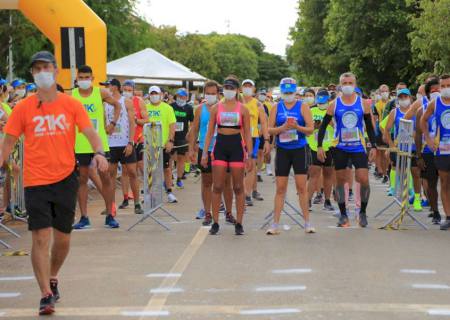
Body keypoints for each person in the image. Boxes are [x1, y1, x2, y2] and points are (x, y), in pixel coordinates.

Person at [0, 51, 108, 315]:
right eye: (37, 69)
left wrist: (99, 152)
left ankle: (53, 275)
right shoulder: (23, 108)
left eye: (46, 67)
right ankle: (45, 295)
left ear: (56, 70)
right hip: (36, 180)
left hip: (64, 178)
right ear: (33, 74)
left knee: (62, 239)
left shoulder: (70, 104)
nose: (42, 72)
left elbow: (90, 131)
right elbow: (8, 141)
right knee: (40, 236)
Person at [317, 72, 377, 228]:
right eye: (345, 83)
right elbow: (323, 126)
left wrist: (374, 146)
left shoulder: (363, 103)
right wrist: (319, 146)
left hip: (358, 146)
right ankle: (343, 214)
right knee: (341, 180)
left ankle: (362, 212)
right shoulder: (334, 104)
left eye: (350, 83)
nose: (348, 86)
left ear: (355, 85)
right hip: (340, 147)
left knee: (363, 178)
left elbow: (369, 127)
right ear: (340, 85)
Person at [201, 76, 253, 235]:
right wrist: (204, 153)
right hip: (220, 146)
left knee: (238, 187)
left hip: (237, 146)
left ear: (237, 90)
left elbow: (247, 134)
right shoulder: (216, 107)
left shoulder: (243, 109)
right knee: (217, 186)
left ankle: (239, 223)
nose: (228, 91)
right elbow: (210, 132)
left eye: (231, 88)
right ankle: (215, 222)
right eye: (226, 88)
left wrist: (250, 155)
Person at [71, 65, 121, 229]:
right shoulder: (72, 95)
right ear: (77, 79)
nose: (84, 81)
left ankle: (110, 215)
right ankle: (84, 217)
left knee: (105, 178)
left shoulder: (101, 93)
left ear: (92, 78)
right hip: (80, 144)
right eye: (81, 78)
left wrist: (112, 123)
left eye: (87, 78)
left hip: (99, 144)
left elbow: (117, 105)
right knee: (82, 180)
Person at [266, 78, 314, 235]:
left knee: (301, 187)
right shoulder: (276, 107)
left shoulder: (303, 106)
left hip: (299, 149)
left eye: (290, 92)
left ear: (295, 92)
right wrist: (283, 127)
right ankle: (275, 224)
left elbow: (310, 129)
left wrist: (296, 127)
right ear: (281, 92)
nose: (288, 95)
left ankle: (307, 223)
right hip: (282, 151)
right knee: (280, 188)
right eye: (285, 92)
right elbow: (269, 130)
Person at [102, 79, 143, 215]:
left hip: (125, 142)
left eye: (108, 86)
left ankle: (137, 203)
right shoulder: (105, 103)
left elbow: (132, 123)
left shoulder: (126, 102)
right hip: (111, 144)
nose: (106, 88)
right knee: (111, 175)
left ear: (115, 87)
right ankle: (110, 205)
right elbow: (103, 122)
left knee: (132, 172)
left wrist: (130, 142)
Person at [404, 77, 441, 223]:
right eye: (434, 91)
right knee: (430, 183)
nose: (438, 92)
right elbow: (414, 130)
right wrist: (418, 155)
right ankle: (435, 210)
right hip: (427, 151)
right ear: (427, 94)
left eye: (440, 89)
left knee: (445, 182)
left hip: (445, 151)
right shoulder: (421, 108)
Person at [384, 88, 422, 212]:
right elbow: (386, 130)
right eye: (400, 97)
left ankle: (417, 198)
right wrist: (391, 145)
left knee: (415, 173)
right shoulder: (394, 112)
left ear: (410, 98)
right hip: (400, 148)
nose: (403, 99)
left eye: (405, 97)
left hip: (414, 147)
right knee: (401, 173)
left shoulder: (416, 111)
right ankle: (402, 199)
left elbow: (421, 128)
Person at [421, 74, 450, 230]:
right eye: (443, 86)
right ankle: (448, 216)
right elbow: (423, 120)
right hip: (442, 150)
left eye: (448, 86)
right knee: (445, 183)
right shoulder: (435, 103)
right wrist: (428, 139)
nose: (446, 89)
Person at [145, 86, 177, 203]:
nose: (154, 96)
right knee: (150, 169)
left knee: (166, 169)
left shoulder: (167, 108)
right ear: (149, 95)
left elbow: (172, 125)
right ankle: (150, 193)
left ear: (161, 95)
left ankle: (169, 192)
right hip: (149, 144)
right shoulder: (145, 107)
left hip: (163, 144)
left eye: (156, 93)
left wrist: (170, 141)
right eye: (152, 93)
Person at [241, 79, 270, 205]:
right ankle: (240, 192)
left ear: (253, 89)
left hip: (253, 138)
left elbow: (264, 122)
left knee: (251, 167)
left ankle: (247, 194)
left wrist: (267, 140)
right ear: (241, 88)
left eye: (250, 86)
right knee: (240, 167)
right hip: (238, 137)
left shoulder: (258, 104)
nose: (247, 88)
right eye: (245, 86)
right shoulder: (236, 101)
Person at [307, 88, 335, 211]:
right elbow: (306, 129)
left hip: (330, 146)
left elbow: (338, 127)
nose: (321, 102)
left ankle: (327, 200)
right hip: (314, 146)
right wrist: (314, 126)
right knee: (314, 174)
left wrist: (330, 123)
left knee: (328, 174)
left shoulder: (333, 111)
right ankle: (307, 200)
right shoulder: (311, 110)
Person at [171, 88, 194, 188]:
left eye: (183, 96)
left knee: (181, 158)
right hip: (171, 135)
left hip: (182, 136)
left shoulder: (189, 108)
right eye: (179, 96)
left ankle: (179, 179)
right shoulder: (171, 106)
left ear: (186, 97)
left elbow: (192, 122)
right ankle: (169, 177)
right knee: (171, 158)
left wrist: (190, 132)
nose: (181, 98)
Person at [373, 84, 390, 183]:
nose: (384, 93)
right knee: (381, 152)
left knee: (387, 153)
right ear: (379, 93)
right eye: (382, 91)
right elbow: (375, 119)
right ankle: (383, 173)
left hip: (390, 130)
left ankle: (388, 171)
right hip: (380, 131)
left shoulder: (392, 103)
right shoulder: (376, 105)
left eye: (386, 91)